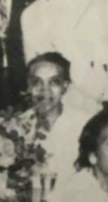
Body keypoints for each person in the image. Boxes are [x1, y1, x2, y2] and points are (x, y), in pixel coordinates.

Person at [22, 52, 93, 183]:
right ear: (29, 87)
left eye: (54, 82)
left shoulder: (86, 123)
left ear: (64, 87)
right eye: (37, 82)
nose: (45, 90)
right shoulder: (17, 125)